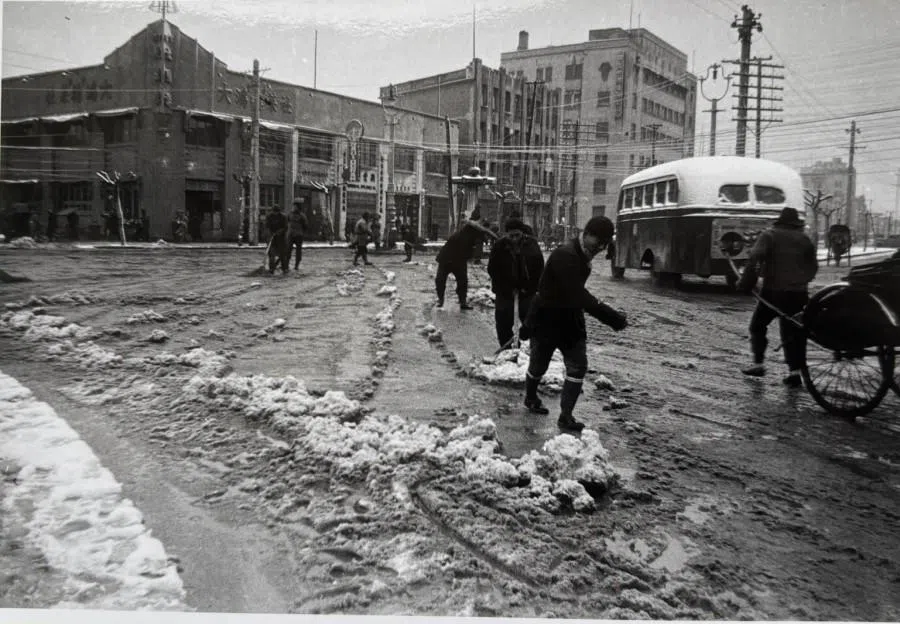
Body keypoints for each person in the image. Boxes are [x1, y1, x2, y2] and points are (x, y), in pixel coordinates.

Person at [520, 216, 628, 432]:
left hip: (570, 322)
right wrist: (610, 316)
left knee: (578, 367)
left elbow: (575, 297)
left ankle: (566, 416)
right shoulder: (565, 255)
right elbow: (577, 294)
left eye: (605, 244)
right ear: (586, 233)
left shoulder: (581, 253)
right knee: (539, 364)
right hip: (547, 320)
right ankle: (531, 397)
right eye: (598, 242)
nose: (600, 248)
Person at [738, 206, 818, 388]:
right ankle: (795, 373)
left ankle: (758, 364)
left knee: (758, 326)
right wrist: (801, 280)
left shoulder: (769, 235)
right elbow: (813, 266)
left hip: (774, 291)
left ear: (780, 221)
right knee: (794, 332)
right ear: (796, 223)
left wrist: (746, 283)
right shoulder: (805, 239)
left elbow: (754, 259)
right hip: (799, 293)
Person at [488, 216, 545, 349]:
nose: (514, 239)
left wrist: (530, 288)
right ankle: (508, 350)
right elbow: (493, 270)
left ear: (522, 233)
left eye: (517, 235)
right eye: (511, 235)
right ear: (506, 234)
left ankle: (532, 351)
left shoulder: (531, 245)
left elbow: (539, 269)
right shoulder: (499, 246)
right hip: (505, 292)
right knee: (503, 322)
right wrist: (506, 288)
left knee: (532, 321)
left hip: (527, 292)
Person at [435, 211, 492, 310]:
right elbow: (471, 245)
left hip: (459, 260)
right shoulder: (466, 234)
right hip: (446, 259)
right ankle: (441, 299)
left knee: (462, 282)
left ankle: (462, 302)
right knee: (441, 280)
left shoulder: (470, 233)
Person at [265, 205, 289, 275]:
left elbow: (286, 227)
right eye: (274, 212)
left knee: (282, 254)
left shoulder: (283, 217)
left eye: (276, 212)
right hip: (272, 238)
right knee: (271, 254)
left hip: (281, 238)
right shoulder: (269, 216)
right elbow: (267, 226)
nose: (275, 213)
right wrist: (270, 234)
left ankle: (284, 268)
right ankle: (271, 269)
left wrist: (280, 231)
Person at [287, 200, 309, 270]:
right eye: (294, 206)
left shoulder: (302, 216)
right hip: (290, 234)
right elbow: (287, 222)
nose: (294, 208)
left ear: (298, 207)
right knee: (288, 250)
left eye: (295, 206)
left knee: (298, 251)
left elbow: (305, 225)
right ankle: (286, 265)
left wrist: (302, 232)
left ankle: (297, 265)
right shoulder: (290, 214)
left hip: (299, 235)